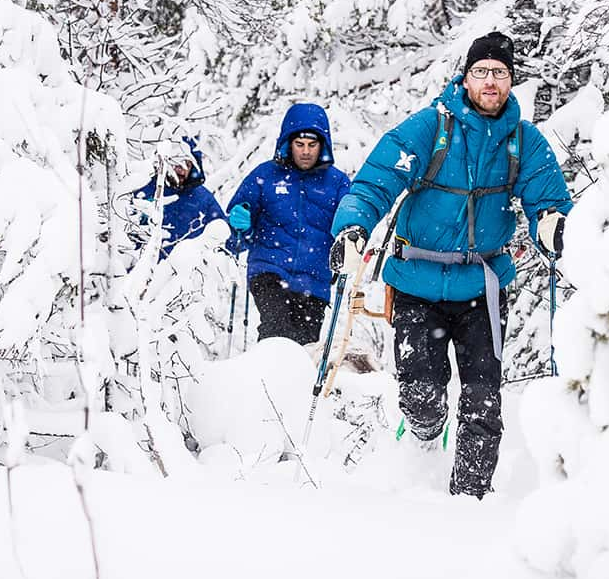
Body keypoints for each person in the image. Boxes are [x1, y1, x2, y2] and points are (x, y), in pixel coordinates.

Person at [329, 32, 571, 498]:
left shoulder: (524, 142)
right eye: (481, 71)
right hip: (417, 283)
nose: (490, 81)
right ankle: (423, 439)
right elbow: (376, 180)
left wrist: (554, 227)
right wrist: (354, 228)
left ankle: (468, 502)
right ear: (465, 76)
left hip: (483, 286)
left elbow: (549, 200)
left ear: (511, 80)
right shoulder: (430, 128)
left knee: (483, 403)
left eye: (499, 73)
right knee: (421, 393)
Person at [227, 103, 351, 345]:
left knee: (304, 348)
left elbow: (350, 224)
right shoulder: (265, 175)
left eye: (312, 145)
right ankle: (264, 379)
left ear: (322, 145)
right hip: (269, 270)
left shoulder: (337, 183)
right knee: (276, 331)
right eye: (300, 144)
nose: (306, 151)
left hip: (314, 279)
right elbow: (233, 234)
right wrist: (240, 224)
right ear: (288, 143)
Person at [132, 136, 226, 260]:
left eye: (187, 163)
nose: (181, 170)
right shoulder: (142, 189)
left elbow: (224, 238)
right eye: (176, 163)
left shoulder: (204, 199)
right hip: (141, 272)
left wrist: (240, 229)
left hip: (185, 275)